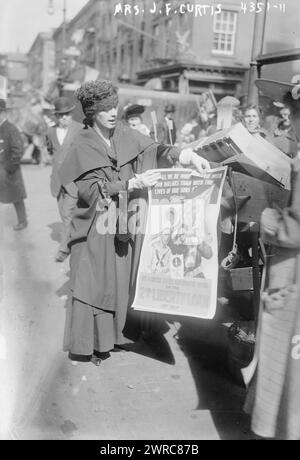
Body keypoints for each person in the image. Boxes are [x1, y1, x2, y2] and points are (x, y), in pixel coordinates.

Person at [58, 79, 210, 365]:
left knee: (121, 279)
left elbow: (157, 149)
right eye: (105, 109)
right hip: (96, 226)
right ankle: (92, 343)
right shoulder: (81, 143)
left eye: (115, 106)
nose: (113, 113)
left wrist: (188, 155)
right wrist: (132, 182)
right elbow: (91, 191)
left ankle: (118, 336)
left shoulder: (126, 134)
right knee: (94, 280)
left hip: (127, 220)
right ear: (92, 113)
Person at [243, 78, 300, 440]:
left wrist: (264, 214)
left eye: (291, 115)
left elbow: (295, 229)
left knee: (288, 363)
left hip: (294, 274)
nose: (289, 123)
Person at [46, 97, 81, 262]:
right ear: (56, 116)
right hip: (58, 182)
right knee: (64, 214)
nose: (64, 118)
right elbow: (50, 150)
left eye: (66, 114)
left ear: (71, 114)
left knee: (67, 213)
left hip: (74, 181)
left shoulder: (80, 130)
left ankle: (63, 249)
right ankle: (74, 241)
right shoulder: (50, 131)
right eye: (60, 115)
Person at [0, 99, 27, 231]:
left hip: (10, 170)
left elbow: (18, 150)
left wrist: (9, 168)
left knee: (17, 197)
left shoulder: (11, 129)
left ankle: (22, 221)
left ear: (3, 113)